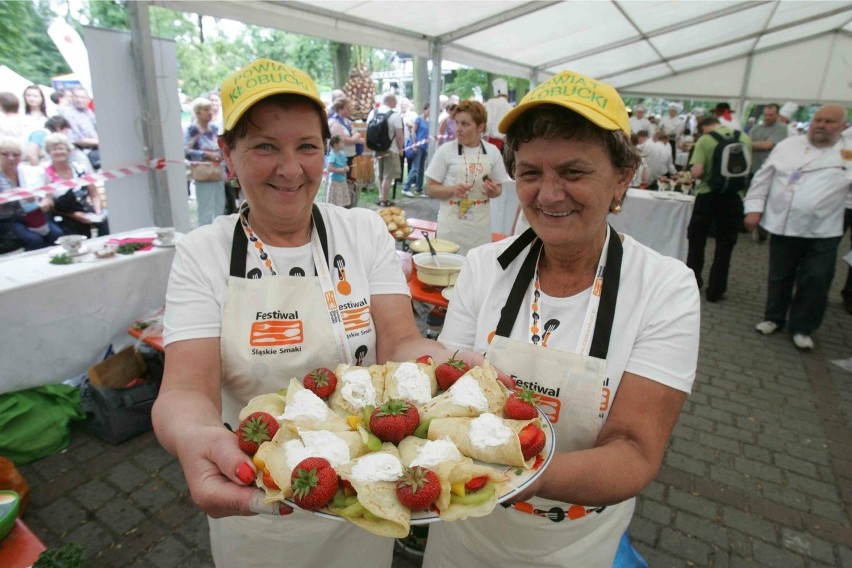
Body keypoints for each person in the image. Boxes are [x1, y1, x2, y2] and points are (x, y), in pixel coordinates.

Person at [151, 58, 450, 568]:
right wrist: (197, 438)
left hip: (365, 489)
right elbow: (184, 390)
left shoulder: (363, 231)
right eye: (265, 146)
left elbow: (400, 344)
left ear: (325, 151)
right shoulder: (204, 252)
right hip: (262, 502)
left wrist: (449, 363)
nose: (290, 169)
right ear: (228, 154)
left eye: (306, 147)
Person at [425, 69, 699, 567]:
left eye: (573, 172)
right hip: (464, 528)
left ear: (622, 177)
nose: (549, 194)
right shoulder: (485, 267)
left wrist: (505, 469)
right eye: (531, 173)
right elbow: (447, 396)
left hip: (575, 541)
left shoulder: (665, 288)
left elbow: (634, 452)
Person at [744, 104, 851, 350]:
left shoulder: (847, 152)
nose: (822, 125)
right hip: (783, 223)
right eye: (818, 120)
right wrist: (754, 208)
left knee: (816, 278)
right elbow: (763, 178)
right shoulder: (788, 146)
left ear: (842, 127)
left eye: (830, 122)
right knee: (780, 275)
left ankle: (803, 327)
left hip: (825, 229)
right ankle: (774, 317)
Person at [425, 99, 511, 255]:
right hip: (451, 228)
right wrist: (452, 189)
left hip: (479, 230)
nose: (458, 129)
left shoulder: (492, 152)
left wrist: (493, 191)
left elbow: (499, 190)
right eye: (457, 123)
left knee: (476, 271)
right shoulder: (446, 151)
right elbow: (430, 189)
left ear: (480, 127)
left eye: (465, 124)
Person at [686, 116, 752, 302]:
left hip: (708, 196)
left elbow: (697, 171)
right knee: (725, 245)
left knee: (697, 242)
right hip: (734, 198)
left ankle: (693, 283)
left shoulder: (705, 140)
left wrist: (695, 172)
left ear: (705, 126)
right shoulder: (744, 138)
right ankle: (716, 290)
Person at [0, 136, 63, 250]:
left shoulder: (31, 171)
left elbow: (48, 188)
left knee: (57, 234)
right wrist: (12, 194)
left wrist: (47, 200)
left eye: (16, 154)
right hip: (8, 220)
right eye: (5, 154)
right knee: (34, 240)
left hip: (35, 215)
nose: (11, 158)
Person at [44, 133, 109, 237]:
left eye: (61, 148)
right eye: (54, 149)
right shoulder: (46, 174)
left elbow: (94, 194)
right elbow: (50, 205)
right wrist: (74, 215)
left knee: (106, 221)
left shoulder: (80, 169)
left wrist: (98, 212)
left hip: (85, 210)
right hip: (63, 215)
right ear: (49, 152)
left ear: (68, 151)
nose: (58, 152)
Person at [185, 97, 225, 226]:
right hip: (203, 172)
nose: (210, 112)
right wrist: (206, 154)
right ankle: (204, 234)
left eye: (210, 109)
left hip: (218, 171)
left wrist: (219, 155)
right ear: (198, 112)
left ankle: (219, 231)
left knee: (220, 203)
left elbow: (222, 145)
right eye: (206, 110)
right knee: (205, 206)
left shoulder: (214, 128)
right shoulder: (193, 129)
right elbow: (186, 150)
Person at [368, 91, 404, 207]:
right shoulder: (395, 115)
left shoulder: (373, 113)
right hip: (391, 149)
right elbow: (399, 135)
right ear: (390, 101)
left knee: (380, 174)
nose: (396, 102)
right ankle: (384, 199)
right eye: (395, 100)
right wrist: (401, 149)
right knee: (388, 175)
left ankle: (380, 197)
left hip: (376, 149)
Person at [328, 97, 363, 199]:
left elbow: (356, 134)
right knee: (341, 179)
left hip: (348, 155)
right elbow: (343, 139)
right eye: (347, 108)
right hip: (339, 157)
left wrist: (354, 138)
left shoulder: (347, 121)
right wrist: (354, 139)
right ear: (340, 109)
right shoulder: (334, 122)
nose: (350, 110)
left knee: (347, 178)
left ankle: (345, 198)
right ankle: (339, 199)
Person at [60, 87, 100, 170]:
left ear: (88, 99)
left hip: (96, 147)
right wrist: (102, 142)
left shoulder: (88, 111)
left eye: (82, 97)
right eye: (76, 97)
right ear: (72, 98)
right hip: (82, 151)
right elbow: (78, 140)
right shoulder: (69, 114)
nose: (79, 100)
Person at [402, 103, 430, 198]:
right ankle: (406, 187)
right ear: (425, 109)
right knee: (415, 168)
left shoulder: (428, 122)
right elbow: (413, 132)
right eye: (429, 110)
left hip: (424, 147)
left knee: (421, 169)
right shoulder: (418, 119)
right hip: (418, 146)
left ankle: (419, 187)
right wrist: (414, 144)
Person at [325, 134, 350, 207]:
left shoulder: (342, 154)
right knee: (335, 201)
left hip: (342, 180)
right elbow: (329, 168)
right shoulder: (332, 155)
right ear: (336, 145)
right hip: (335, 181)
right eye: (341, 142)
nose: (343, 144)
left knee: (341, 200)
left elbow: (345, 164)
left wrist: (346, 168)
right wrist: (341, 170)